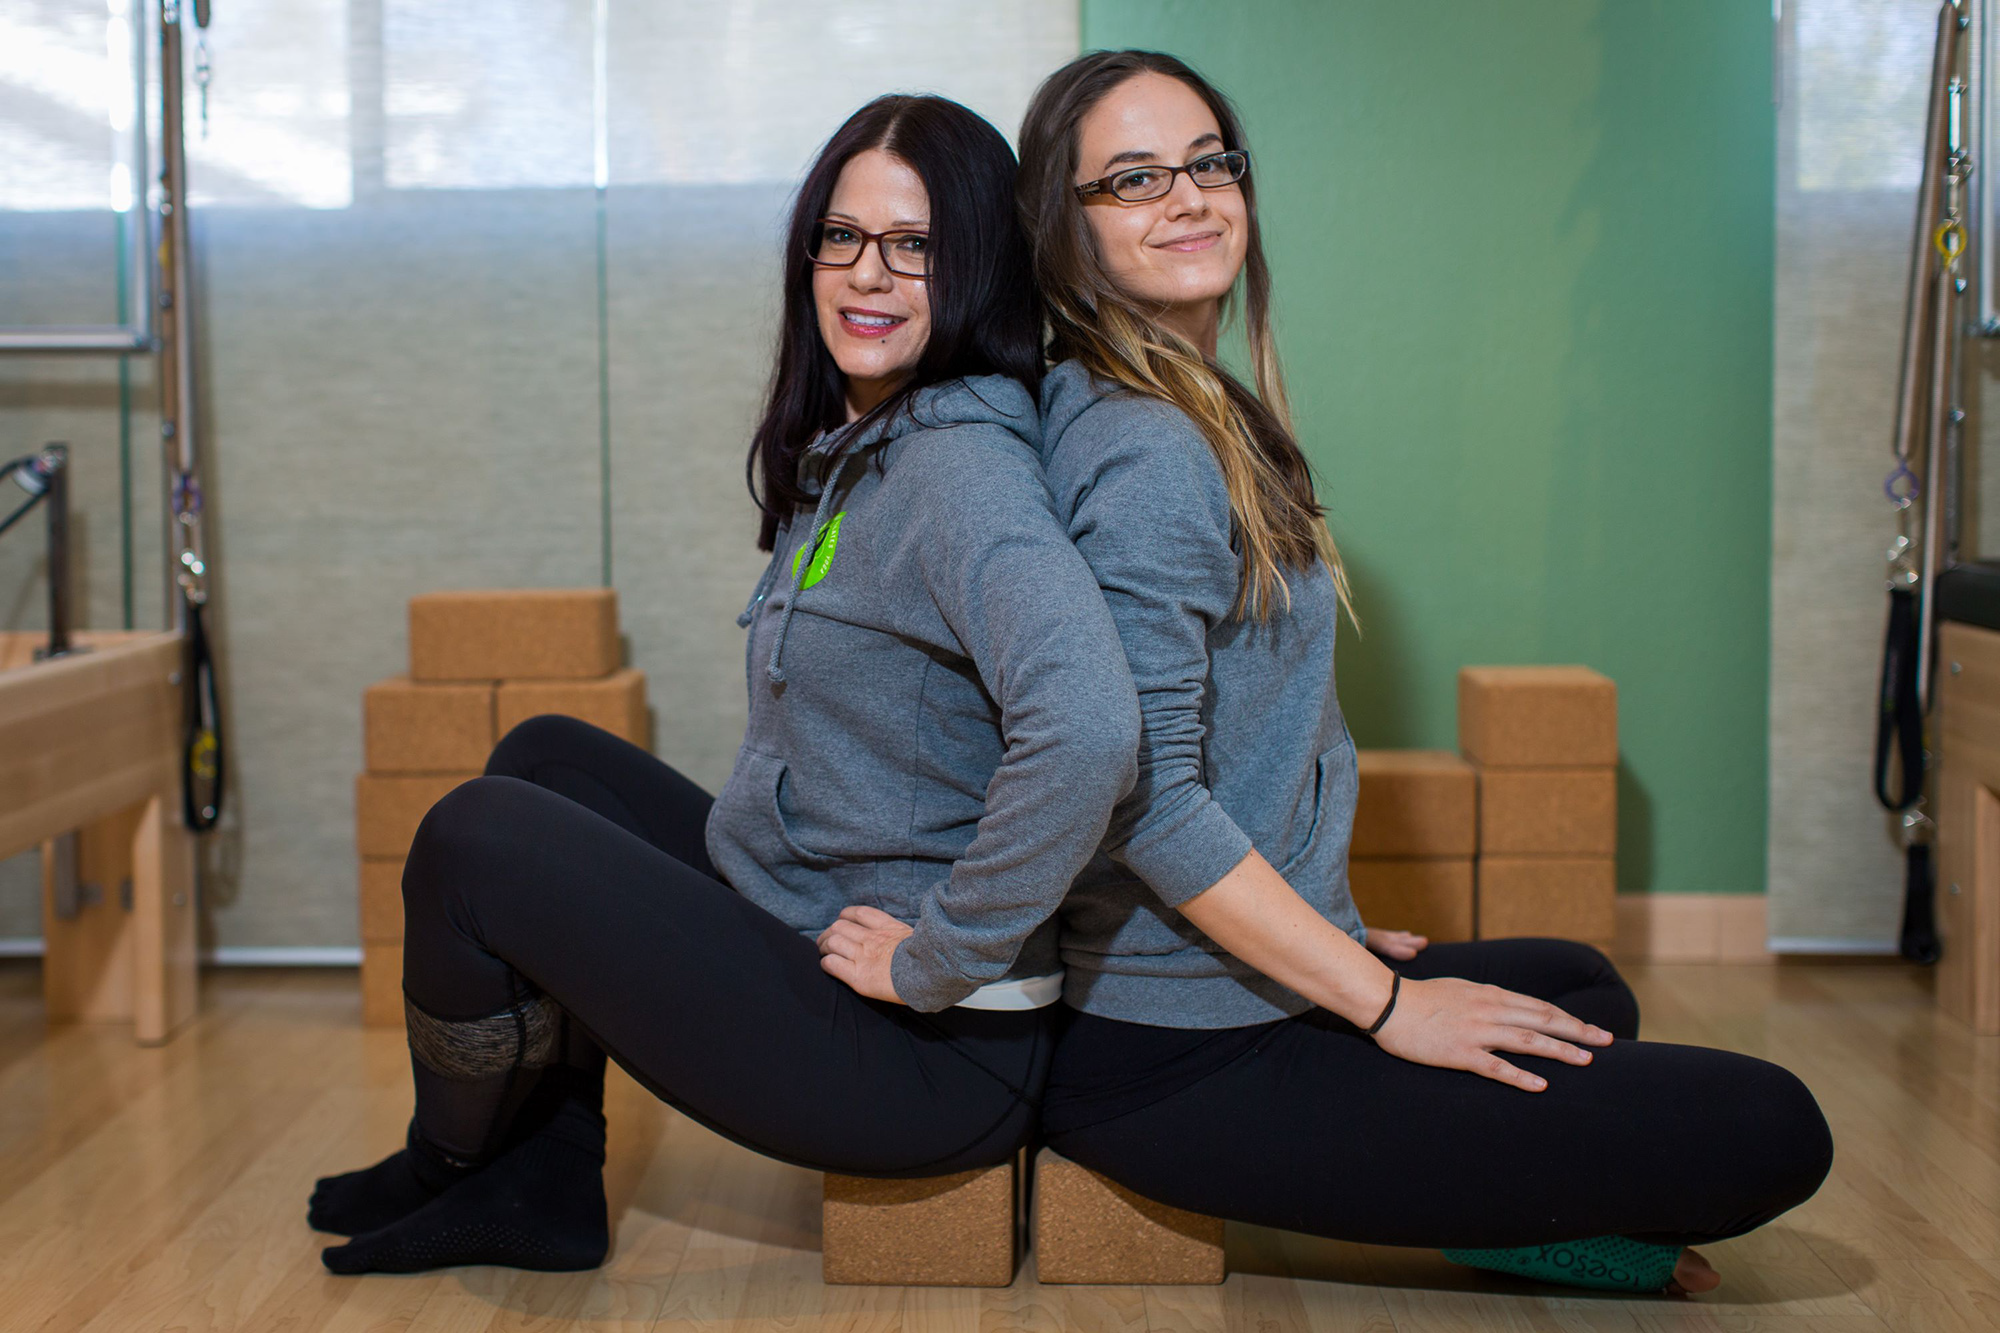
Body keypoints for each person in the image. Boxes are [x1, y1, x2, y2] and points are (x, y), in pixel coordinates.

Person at [823, 50, 1833, 1298]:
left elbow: (1250, 739)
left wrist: (1329, 920)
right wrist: (1381, 1006)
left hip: (1223, 990)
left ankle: (1484, 1188)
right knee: (1768, 1125)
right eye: (1131, 178)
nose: (1186, 198)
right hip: (1168, 1052)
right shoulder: (1141, 450)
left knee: (1576, 985)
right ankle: (1469, 1185)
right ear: (1061, 229)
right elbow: (1143, 790)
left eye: (1207, 163)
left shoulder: (1203, 407)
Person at [306, 92, 1140, 1275]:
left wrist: (938, 952)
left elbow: (1094, 731)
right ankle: (532, 1172)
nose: (870, 274)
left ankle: (459, 1164)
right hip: (809, 924)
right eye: (842, 237)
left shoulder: (962, 480)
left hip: (921, 1050)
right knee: (546, 759)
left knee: (473, 836)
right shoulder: (868, 445)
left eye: (916, 248)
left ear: (979, 273)